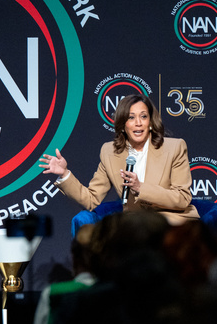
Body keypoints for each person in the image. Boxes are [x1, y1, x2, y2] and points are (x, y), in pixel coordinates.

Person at [39, 94, 198, 225]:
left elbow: (182, 198)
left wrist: (141, 188)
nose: (138, 123)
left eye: (143, 116)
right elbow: (92, 199)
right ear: (123, 125)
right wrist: (64, 174)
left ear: (150, 122)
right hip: (134, 225)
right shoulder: (110, 152)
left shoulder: (175, 147)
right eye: (131, 117)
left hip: (172, 221)